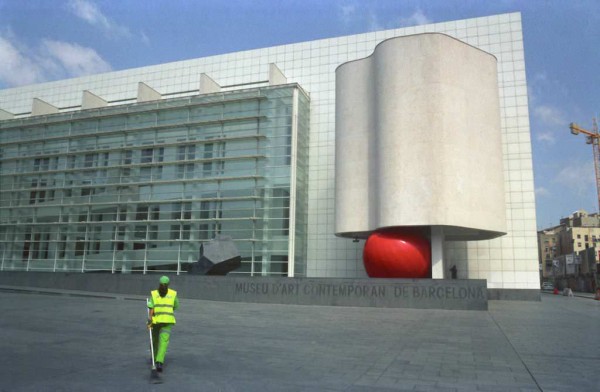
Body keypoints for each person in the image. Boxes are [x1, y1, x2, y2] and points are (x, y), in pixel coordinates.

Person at [147, 276, 179, 372]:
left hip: (156, 320)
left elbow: (151, 308)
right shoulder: (173, 294)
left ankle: (154, 357)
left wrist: (149, 320)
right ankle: (159, 361)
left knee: (155, 340)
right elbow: (176, 306)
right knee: (164, 342)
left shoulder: (154, 294)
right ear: (168, 284)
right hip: (168, 321)